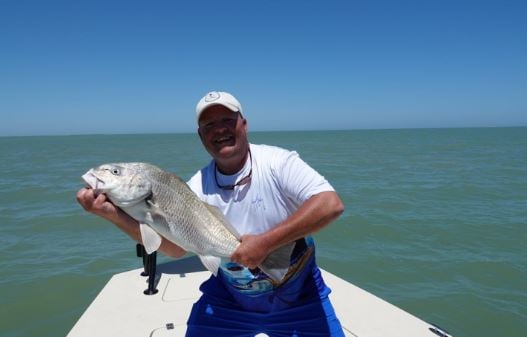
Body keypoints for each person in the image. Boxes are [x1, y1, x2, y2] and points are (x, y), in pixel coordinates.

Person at [76, 91, 345, 336]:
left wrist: (264, 245)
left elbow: (330, 204)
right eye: (209, 125)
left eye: (227, 120)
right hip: (230, 298)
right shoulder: (195, 187)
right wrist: (112, 215)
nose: (219, 130)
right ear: (201, 135)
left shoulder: (278, 163)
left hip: (300, 296)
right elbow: (176, 249)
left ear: (244, 124)